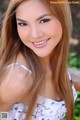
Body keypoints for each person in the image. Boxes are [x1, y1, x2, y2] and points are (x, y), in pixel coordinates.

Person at [0, 0, 77, 120]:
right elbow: (1, 114)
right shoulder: (18, 79)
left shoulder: (53, 57)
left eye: (44, 20)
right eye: (23, 24)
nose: (35, 35)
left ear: (63, 17)